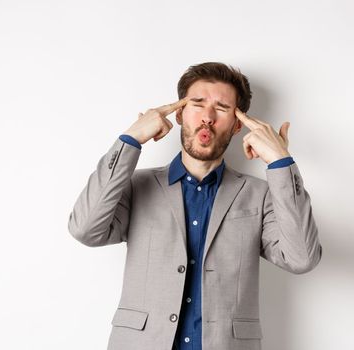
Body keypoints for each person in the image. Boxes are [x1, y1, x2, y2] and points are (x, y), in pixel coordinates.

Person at [67, 62, 322, 350]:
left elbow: (302, 257)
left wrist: (280, 161)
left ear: (238, 124)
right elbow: (84, 229)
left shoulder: (259, 194)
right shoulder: (137, 186)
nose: (208, 117)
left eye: (223, 108)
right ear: (179, 114)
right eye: (197, 104)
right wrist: (130, 140)